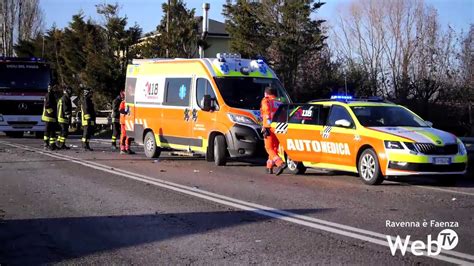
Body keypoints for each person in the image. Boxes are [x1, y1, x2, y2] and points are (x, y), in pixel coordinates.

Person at [260, 87, 286, 175]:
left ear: (266, 94)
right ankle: (269, 166)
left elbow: (266, 111)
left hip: (269, 127)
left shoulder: (266, 101)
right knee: (274, 147)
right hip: (278, 127)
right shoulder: (279, 102)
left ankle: (280, 163)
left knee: (268, 147)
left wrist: (266, 126)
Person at [41, 85, 58, 150]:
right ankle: (46, 144)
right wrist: (52, 113)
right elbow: (47, 106)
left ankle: (52, 144)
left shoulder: (51, 94)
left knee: (52, 131)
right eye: (54, 88)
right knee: (48, 131)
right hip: (49, 117)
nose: (55, 89)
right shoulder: (49, 95)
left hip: (51, 117)